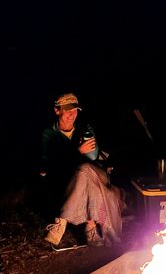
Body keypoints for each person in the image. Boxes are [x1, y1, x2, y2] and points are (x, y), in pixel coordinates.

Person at [41, 93, 123, 246]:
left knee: (85, 170)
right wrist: (77, 150)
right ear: (57, 110)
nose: (73, 115)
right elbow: (47, 163)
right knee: (83, 174)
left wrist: (85, 150)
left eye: (75, 110)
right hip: (70, 180)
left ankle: (61, 222)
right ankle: (91, 228)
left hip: (96, 173)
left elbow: (94, 156)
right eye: (68, 110)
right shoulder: (49, 134)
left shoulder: (85, 128)